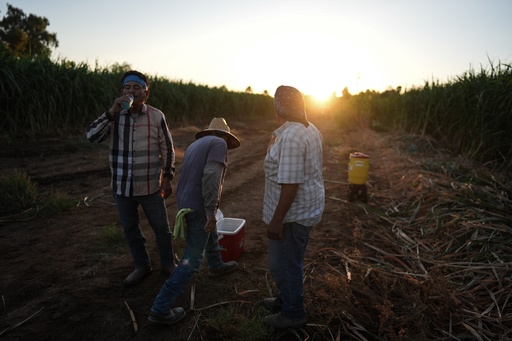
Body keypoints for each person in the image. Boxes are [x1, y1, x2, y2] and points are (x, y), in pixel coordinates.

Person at [86, 70, 176, 287]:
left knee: (161, 228)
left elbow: (168, 148)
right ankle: (142, 266)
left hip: (150, 186)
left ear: (146, 93)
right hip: (122, 187)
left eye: (137, 87)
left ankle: (168, 264)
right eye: (127, 88)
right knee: (131, 229)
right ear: (122, 92)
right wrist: (111, 112)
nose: (131, 91)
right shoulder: (114, 116)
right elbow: (92, 137)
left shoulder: (157, 116)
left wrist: (168, 177)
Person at [148, 117, 240, 325]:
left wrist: (210, 212)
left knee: (210, 229)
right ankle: (160, 308)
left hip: (186, 202)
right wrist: (210, 209)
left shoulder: (195, 144)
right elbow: (211, 176)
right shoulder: (219, 143)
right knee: (192, 259)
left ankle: (216, 265)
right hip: (199, 205)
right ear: (225, 135)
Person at [262, 85, 325, 329]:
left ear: (279, 108)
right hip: (304, 208)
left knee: (284, 265)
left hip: (292, 214)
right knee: (290, 260)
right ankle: (285, 298)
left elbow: (291, 183)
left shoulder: (290, 136)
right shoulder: (309, 128)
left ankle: (293, 314)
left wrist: (277, 219)